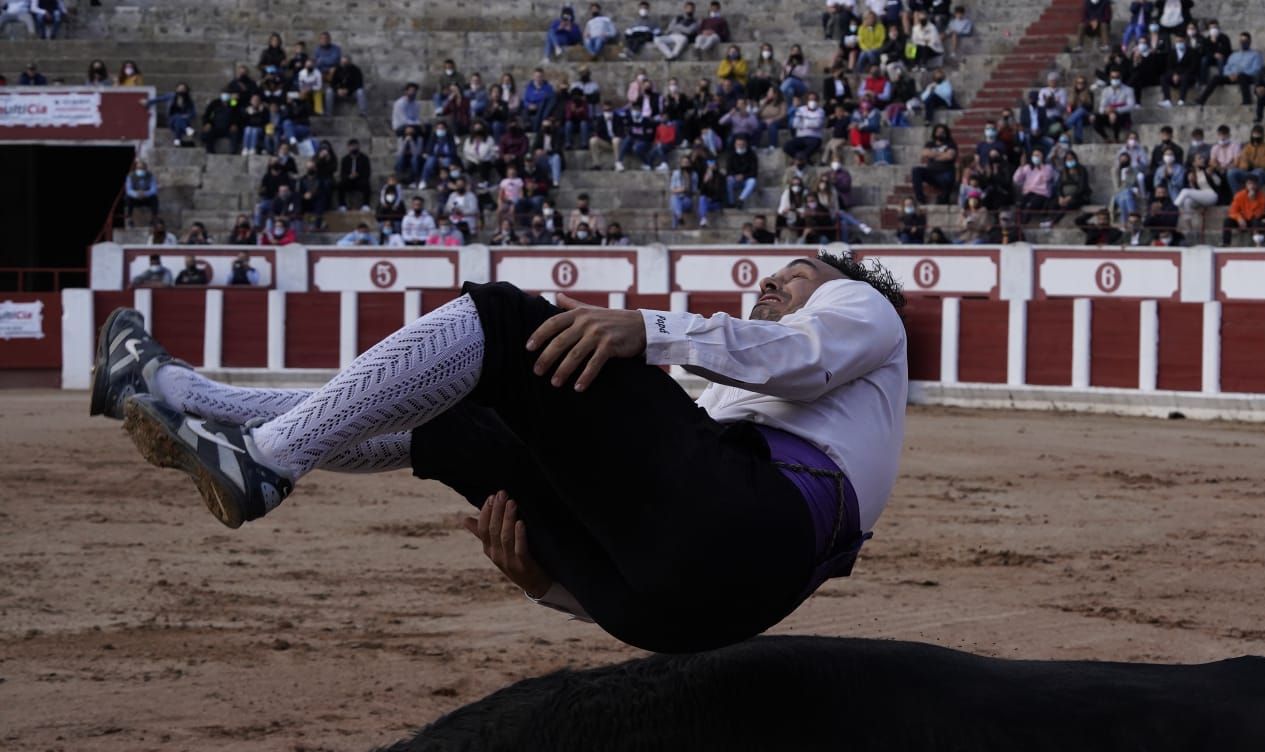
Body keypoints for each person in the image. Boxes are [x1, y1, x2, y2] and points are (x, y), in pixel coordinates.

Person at [94, 252, 909, 655]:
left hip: (750, 529)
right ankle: (186, 398)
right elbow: (676, 550)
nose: (771, 285)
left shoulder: (861, 308)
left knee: (509, 321)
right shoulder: (729, 413)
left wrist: (653, 327)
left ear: (837, 282)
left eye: (792, 276)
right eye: (767, 280)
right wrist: (553, 587)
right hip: (672, 613)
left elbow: (805, 353)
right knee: (456, 426)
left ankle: (262, 454)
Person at [123, 159, 159, 226]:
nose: (140, 170)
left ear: (146, 168)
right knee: (127, 198)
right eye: (139, 168)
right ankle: (129, 219)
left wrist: (145, 194)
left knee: (154, 198)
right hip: (135, 198)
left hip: (146, 198)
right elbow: (128, 190)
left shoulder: (150, 176)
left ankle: (154, 218)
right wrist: (137, 194)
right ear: (136, 168)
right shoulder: (130, 176)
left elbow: (154, 189)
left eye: (142, 168)